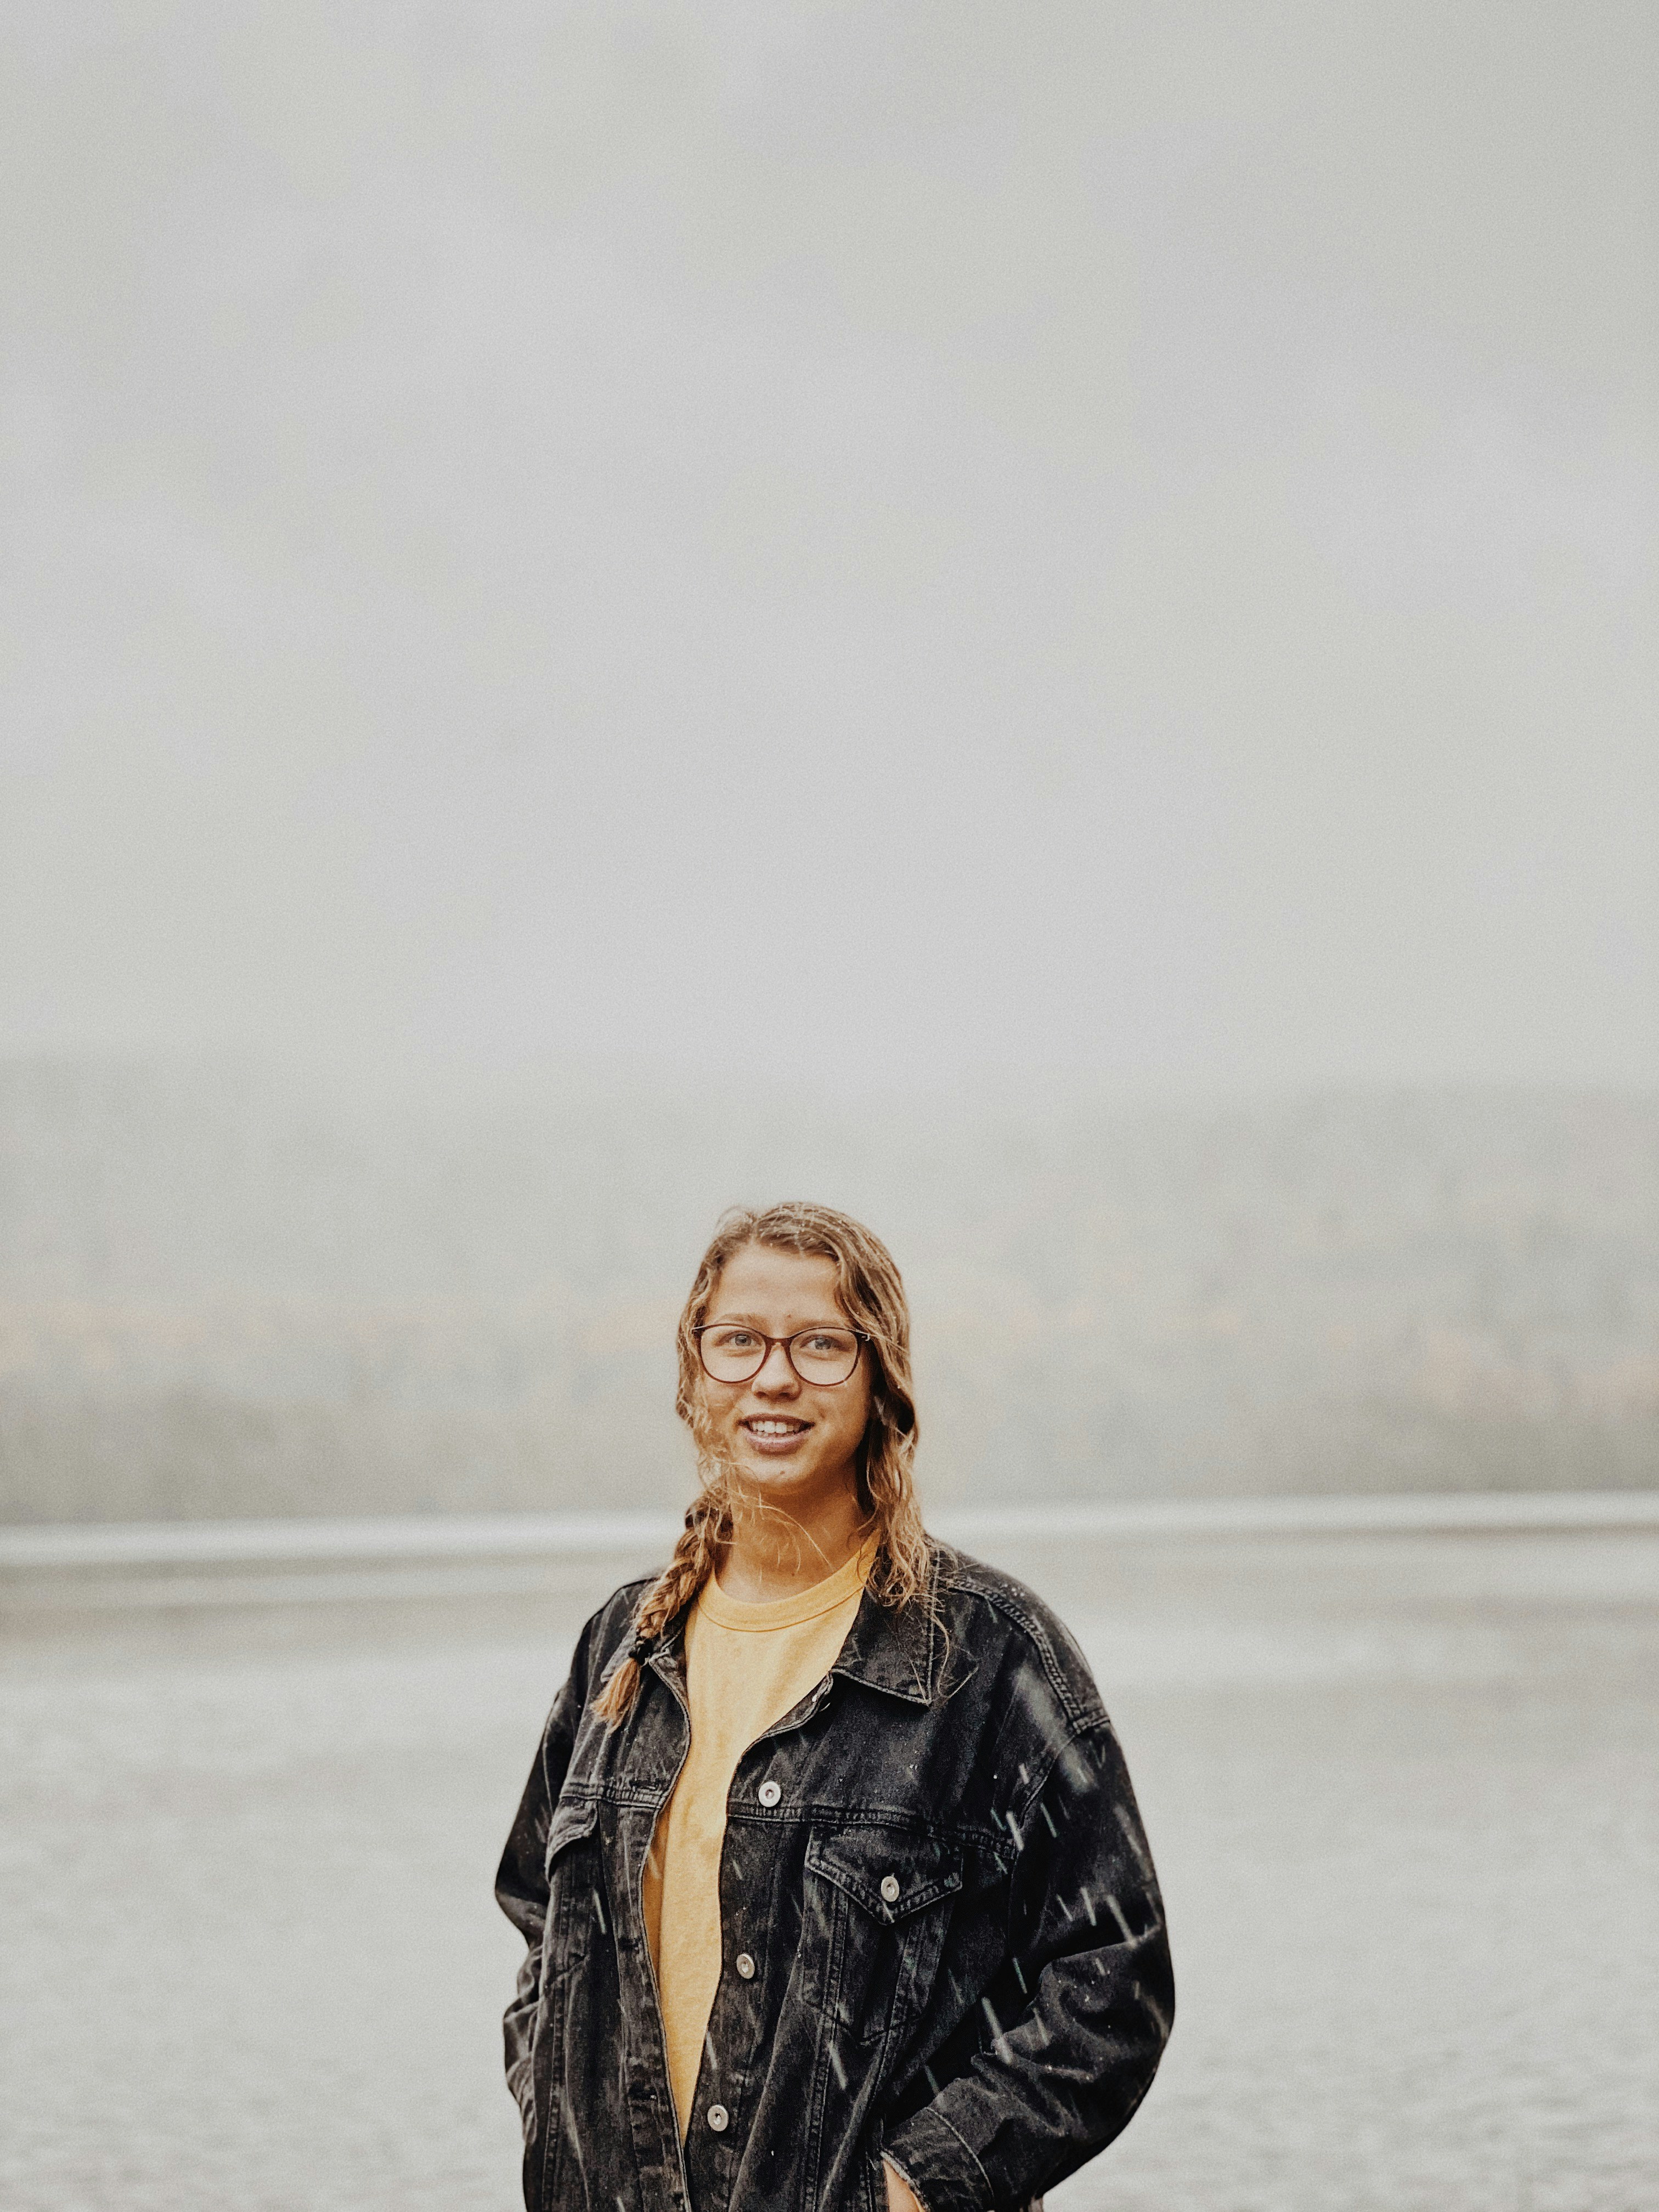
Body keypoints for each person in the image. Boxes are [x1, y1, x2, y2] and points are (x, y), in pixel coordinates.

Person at [496, 1203, 1173, 2212]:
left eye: (819, 1344)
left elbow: (1114, 1981)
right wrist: (559, 2113)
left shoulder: (989, 1659)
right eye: (739, 1343)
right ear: (695, 1375)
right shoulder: (619, 1649)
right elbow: (540, 1922)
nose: (774, 1377)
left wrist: (912, 2187)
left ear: (880, 1378)